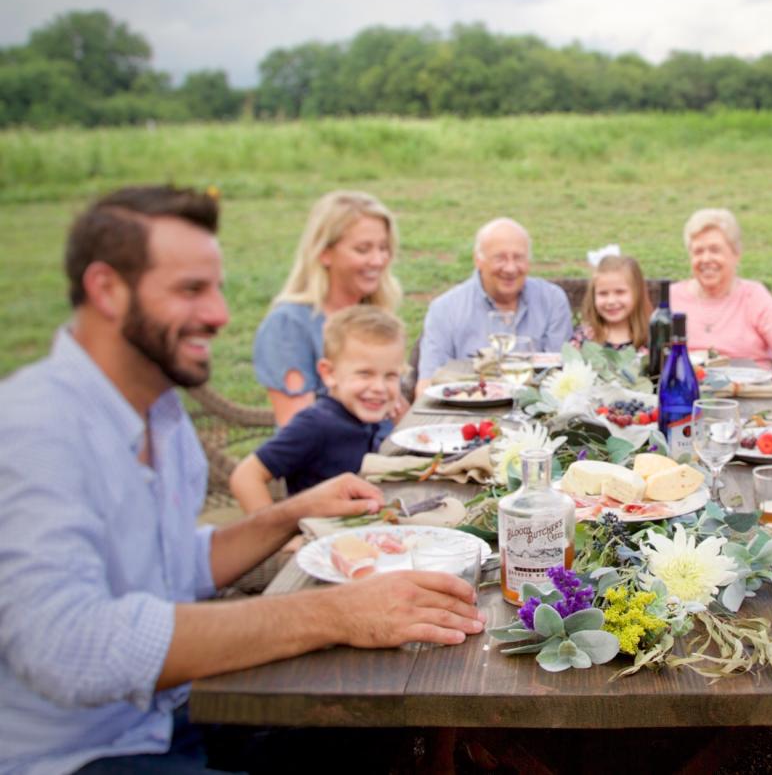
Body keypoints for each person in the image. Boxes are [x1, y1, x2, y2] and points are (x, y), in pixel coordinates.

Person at [0, 186, 484, 774]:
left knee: (389, 737)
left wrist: (289, 512)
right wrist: (336, 613)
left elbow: (178, 562)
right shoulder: (34, 428)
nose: (220, 315)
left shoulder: (164, 417)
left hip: (178, 712)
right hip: (86, 754)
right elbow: (70, 644)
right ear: (107, 289)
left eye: (217, 288)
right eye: (190, 290)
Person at [231, 306, 406, 513]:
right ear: (329, 373)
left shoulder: (372, 415)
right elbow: (245, 476)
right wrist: (277, 536)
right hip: (320, 536)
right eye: (365, 374)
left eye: (391, 376)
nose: (379, 388)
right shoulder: (316, 423)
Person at [253, 190, 404, 427]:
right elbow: (297, 431)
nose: (378, 260)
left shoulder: (371, 313)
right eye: (363, 249)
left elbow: (397, 413)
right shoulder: (289, 325)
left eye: (383, 248)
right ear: (324, 254)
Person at [415, 217, 572, 394]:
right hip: (466, 412)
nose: (511, 268)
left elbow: (560, 375)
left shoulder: (552, 300)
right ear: (478, 260)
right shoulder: (445, 308)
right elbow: (427, 385)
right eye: (500, 258)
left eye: (519, 257)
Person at [670, 208, 772, 377]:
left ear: (736, 253)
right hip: (689, 394)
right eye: (698, 251)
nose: (706, 259)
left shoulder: (753, 296)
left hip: (752, 395)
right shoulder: (673, 297)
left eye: (715, 250)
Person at [573, 253, 653, 350]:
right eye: (603, 293)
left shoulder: (651, 337)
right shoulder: (583, 338)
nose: (611, 301)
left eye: (620, 292)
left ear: (638, 293)